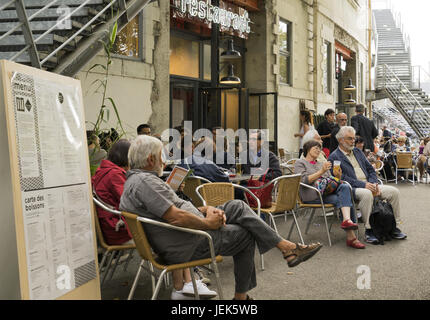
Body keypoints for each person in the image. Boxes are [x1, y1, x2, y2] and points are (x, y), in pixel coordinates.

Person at [119, 135, 322, 300]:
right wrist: (206, 221)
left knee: (237, 205)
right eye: (160, 156)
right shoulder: (146, 183)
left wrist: (204, 209)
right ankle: (244, 295)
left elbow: (173, 212)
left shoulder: (136, 181)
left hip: (183, 234)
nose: (164, 160)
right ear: (150, 160)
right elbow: (175, 217)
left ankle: (286, 248)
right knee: (246, 235)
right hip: (187, 241)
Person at [328, 126, 407, 245]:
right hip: (352, 188)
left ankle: (394, 226)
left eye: (353, 138)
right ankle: (368, 229)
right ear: (340, 140)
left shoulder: (358, 151)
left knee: (394, 192)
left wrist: (374, 183)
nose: (353, 141)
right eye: (349, 138)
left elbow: (370, 169)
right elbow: (341, 178)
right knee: (367, 194)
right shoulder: (334, 157)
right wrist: (364, 185)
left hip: (369, 184)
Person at [295, 141, 365, 249]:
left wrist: (338, 176)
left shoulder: (320, 163)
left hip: (326, 194)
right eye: (316, 148)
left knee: (345, 188)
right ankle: (351, 237)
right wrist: (321, 171)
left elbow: (331, 181)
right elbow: (303, 181)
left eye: (320, 148)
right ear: (308, 149)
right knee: (344, 198)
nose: (318, 150)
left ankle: (347, 221)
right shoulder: (300, 162)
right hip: (312, 195)